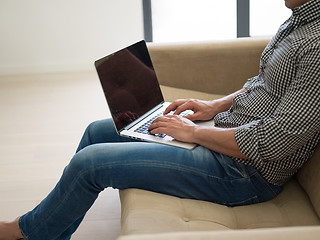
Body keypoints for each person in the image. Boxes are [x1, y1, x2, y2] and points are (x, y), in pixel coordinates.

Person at [1, 0, 320, 239]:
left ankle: (24, 231)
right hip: (224, 132)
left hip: (243, 172)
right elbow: (262, 83)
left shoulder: (316, 45)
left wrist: (192, 133)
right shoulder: (298, 20)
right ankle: (49, 233)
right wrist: (213, 106)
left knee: (91, 164)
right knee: (97, 131)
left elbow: (277, 139)